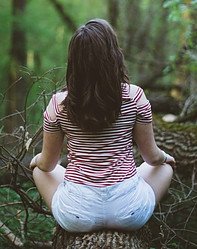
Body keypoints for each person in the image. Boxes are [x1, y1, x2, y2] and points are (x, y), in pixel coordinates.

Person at [30, 18, 176, 232]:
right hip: (129, 212)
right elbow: (151, 158)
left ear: (74, 61)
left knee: (39, 171)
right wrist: (165, 158)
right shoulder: (135, 97)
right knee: (164, 168)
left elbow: (48, 165)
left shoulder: (59, 104)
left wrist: (36, 160)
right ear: (113, 55)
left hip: (78, 215)